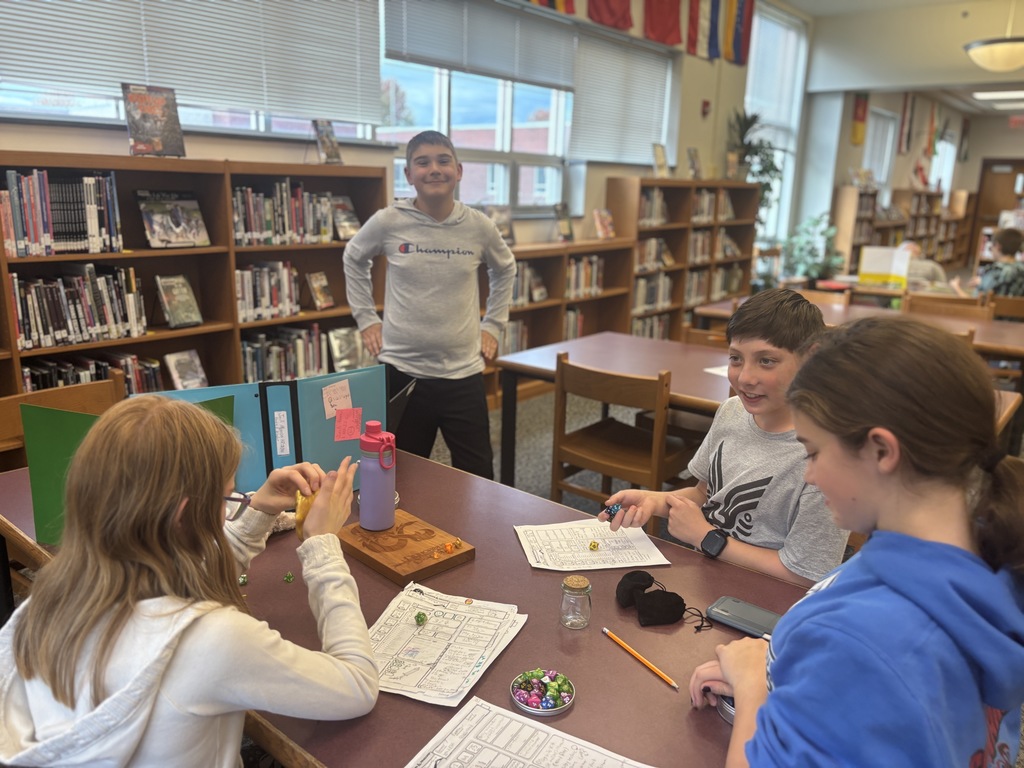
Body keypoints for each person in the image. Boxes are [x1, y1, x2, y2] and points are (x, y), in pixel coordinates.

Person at [690, 316, 1024, 767]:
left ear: (881, 452)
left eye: (813, 452)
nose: (809, 473)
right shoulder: (996, 551)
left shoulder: (857, 638)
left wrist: (752, 683)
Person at [0, 396, 378, 767]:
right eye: (229, 496)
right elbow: (356, 687)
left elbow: (182, 577)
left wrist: (257, 510)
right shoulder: (213, 640)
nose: (233, 503)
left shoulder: (51, 599)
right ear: (185, 514)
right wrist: (322, 547)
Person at [601, 289, 848, 586]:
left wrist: (706, 538)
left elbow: (805, 576)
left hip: (762, 597)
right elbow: (706, 495)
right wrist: (655, 501)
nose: (745, 377)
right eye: (735, 358)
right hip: (704, 574)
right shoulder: (732, 411)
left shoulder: (826, 459)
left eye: (766, 361)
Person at [343, 130, 516, 480]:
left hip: (463, 375)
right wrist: (366, 319)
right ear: (408, 175)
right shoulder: (389, 220)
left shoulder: (479, 227)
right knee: (399, 474)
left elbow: (505, 269)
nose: (434, 169)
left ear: (459, 170)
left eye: (443, 160)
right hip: (403, 374)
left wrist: (493, 325)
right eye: (422, 162)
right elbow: (354, 257)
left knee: (478, 477)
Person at [951, 227, 1024, 298]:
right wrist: (983, 282)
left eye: (991, 246)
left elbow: (975, 304)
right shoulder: (1021, 269)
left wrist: (956, 288)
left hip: (992, 310)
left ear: (998, 246)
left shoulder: (994, 271)